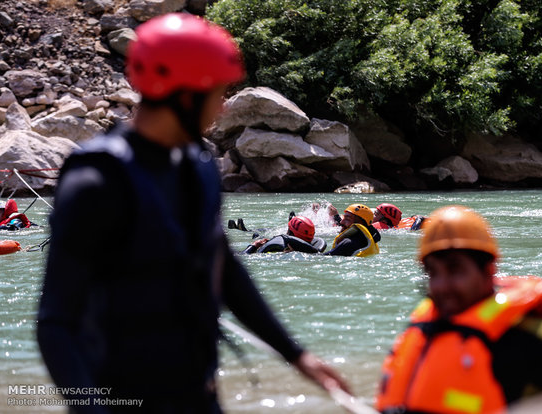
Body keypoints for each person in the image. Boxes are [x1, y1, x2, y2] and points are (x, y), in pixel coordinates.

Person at [37, 13, 349, 413]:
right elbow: (56, 324)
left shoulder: (198, 164)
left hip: (196, 395)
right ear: (184, 96)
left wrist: (297, 355)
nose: (220, 110)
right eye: (216, 95)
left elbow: (225, 268)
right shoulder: (96, 181)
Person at [375, 205, 542, 413]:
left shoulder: (525, 336)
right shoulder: (427, 326)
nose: (441, 285)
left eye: (455, 270)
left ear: (488, 271)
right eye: (433, 273)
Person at [242, 216, 326, 254]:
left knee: (256, 237)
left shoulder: (283, 251)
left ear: (290, 233)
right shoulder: (313, 249)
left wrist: (254, 246)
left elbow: (242, 257)